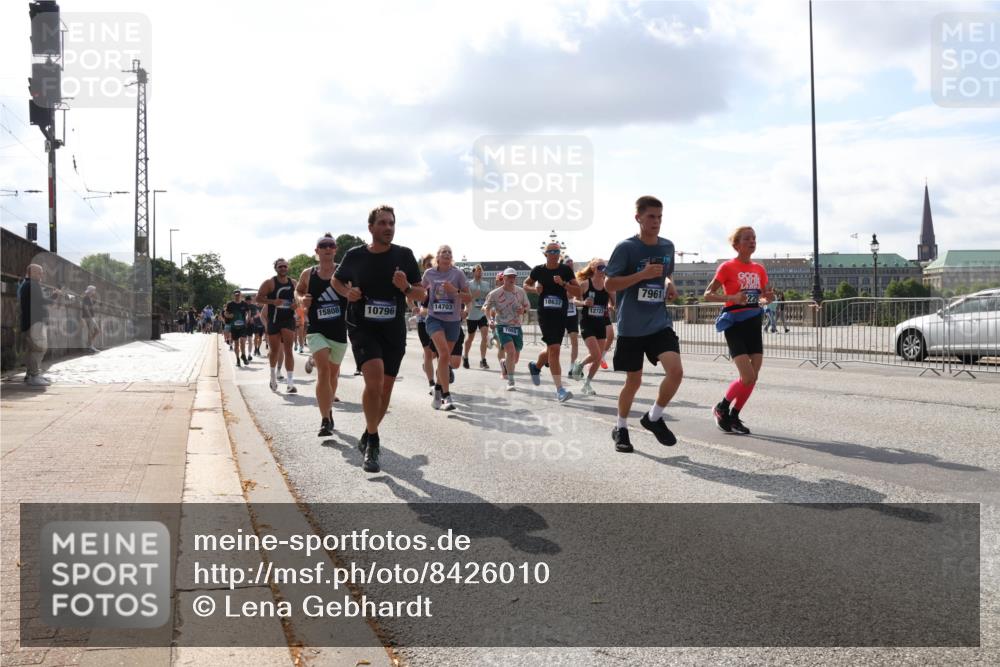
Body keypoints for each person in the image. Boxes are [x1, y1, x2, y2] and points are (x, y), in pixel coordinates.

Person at [333, 205, 425, 473]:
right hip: (363, 326)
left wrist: (405, 287)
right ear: (371, 227)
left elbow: (420, 295)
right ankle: (373, 441)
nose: (388, 227)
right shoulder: (355, 256)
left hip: (393, 328)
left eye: (392, 223)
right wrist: (347, 293)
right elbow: (337, 282)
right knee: (373, 380)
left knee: (385, 389)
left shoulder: (404, 256)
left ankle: (368, 431)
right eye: (383, 223)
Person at [604, 195, 682, 452]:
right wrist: (641, 275)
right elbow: (609, 284)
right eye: (651, 216)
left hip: (658, 323)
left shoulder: (667, 246)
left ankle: (653, 417)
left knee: (676, 371)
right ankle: (621, 427)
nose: (656, 222)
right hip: (632, 326)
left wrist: (669, 285)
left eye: (660, 217)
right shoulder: (626, 248)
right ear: (638, 218)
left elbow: (666, 275)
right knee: (633, 382)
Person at [704, 226, 773, 435]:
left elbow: (763, 296)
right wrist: (733, 298)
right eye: (747, 239)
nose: (752, 241)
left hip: (753, 322)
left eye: (754, 238)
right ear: (736, 245)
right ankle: (721, 407)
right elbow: (708, 294)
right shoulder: (727, 267)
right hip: (734, 323)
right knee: (747, 375)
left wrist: (767, 298)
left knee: (754, 376)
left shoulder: (759, 269)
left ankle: (734, 416)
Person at [296, 233, 349, 437]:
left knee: (333, 375)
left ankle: (329, 409)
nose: (327, 248)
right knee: (324, 371)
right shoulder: (309, 273)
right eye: (323, 245)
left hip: (338, 330)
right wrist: (302, 299)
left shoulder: (343, 272)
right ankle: (325, 419)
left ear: (335, 250)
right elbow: (298, 291)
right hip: (316, 329)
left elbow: (354, 292)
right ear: (316, 251)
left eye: (331, 245)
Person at [525, 243, 582, 403]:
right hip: (545, 314)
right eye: (551, 251)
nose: (555, 253)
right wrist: (535, 288)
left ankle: (535, 367)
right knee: (555, 349)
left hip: (561, 313)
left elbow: (578, 292)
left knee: (551, 348)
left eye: (557, 251)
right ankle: (560, 390)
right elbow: (525, 284)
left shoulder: (565, 270)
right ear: (545, 254)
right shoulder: (538, 270)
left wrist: (564, 284)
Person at [422, 245, 472, 411]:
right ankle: (446, 396)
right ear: (438, 256)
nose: (447, 254)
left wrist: (455, 291)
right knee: (443, 353)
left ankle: (437, 388)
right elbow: (420, 291)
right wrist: (419, 305)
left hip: (453, 321)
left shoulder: (458, 274)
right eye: (444, 252)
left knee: (445, 358)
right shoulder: (429, 274)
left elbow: (468, 296)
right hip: (434, 319)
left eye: (450, 252)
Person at [570, 258, 615, 395]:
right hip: (587, 323)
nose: (603, 270)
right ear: (594, 268)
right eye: (601, 267)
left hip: (600, 323)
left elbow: (614, 302)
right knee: (595, 354)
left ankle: (587, 383)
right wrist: (584, 303)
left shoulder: (607, 285)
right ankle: (580, 365)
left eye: (605, 268)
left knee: (598, 357)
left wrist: (612, 306)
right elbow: (574, 300)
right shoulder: (585, 284)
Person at [483, 268, 531, 390]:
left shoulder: (520, 292)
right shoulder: (495, 293)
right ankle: (511, 381)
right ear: (503, 278)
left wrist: (523, 310)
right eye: (509, 277)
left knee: (514, 358)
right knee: (510, 351)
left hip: (516, 326)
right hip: (502, 325)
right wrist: (489, 320)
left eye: (514, 277)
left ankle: (504, 364)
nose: (512, 279)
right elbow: (486, 308)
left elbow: (527, 306)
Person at [257, 259, 298, 393]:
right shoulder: (269, 283)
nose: (283, 268)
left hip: (288, 319)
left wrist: (295, 304)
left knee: (288, 350)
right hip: (274, 320)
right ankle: (273, 377)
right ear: (276, 268)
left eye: (285, 266)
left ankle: (290, 383)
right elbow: (258, 298)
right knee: (274, 351)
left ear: (288, 267)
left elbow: (299, 299)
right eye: (280, 266)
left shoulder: (293, 283)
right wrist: (273, 301)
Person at [18, 264, 61, 386]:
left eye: (41, 272)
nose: (41, 275)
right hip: (35, 322)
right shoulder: (32, 285)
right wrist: (54, 295)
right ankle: (34, 376)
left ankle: (30, 375)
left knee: (32, 349)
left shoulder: (27, 285)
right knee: (39, 348)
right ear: (31, 273)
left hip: (30, 322)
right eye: (39, 272)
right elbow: (41, 301)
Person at [413, 254, 437, 394]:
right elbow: (408, 296)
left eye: (432, 264)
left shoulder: (441, 280)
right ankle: (431, 383)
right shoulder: (419, 282)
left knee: (439, 352)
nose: (430, 266)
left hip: (439, 321)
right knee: (428, 352)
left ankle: (443, 371)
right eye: (427, 264)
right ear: (423, 266)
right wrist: (413, 307)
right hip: (423, 322)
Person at [463, 265, 491, 370]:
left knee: (485, 336)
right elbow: (466, 298)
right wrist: (474, 295)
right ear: (474, 273)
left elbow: (489, 298)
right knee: (470, 338)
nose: (479, 273)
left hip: (482, 314)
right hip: (472, 315)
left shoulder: (486, 284)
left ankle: (483, 360)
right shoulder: (468, 284)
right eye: (477, 271)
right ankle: (465, 357)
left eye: (481, 272)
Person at [562, 257, 581, 376]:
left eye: (571, 262)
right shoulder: (560, 278)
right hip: (559, 313)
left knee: (575, 341)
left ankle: (572, 368)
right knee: (555, 342)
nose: (570, 264)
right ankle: (546, 358)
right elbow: (568, 294)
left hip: (572, 312)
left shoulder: (575, 279)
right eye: (567, 262)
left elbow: (578, 294)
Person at [224, 290, 252, 367]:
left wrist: (248, 318)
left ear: (241, 295)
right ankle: (238, 359)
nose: (237, 296)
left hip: (242, 326)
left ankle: (243, 355)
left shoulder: (244, 304)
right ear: (234, 296)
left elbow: (248, 311)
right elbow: (225, 313)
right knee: (236, 344)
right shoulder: (230, 304)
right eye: (236, 295)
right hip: (234, 327)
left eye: (238, 295)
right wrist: (229, 316)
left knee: (242, 341)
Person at [81, 285, 99, 352]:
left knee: (96, 331)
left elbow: (93, 304)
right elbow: (85, 308)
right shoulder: (86, 298)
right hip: (88, 317)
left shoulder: (89, 298)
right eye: (94, 290)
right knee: (92, 331)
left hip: (91, 317)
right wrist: (90, 317)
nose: (94, 292)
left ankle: (90, 345)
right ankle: (90, 347)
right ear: (91, 291)